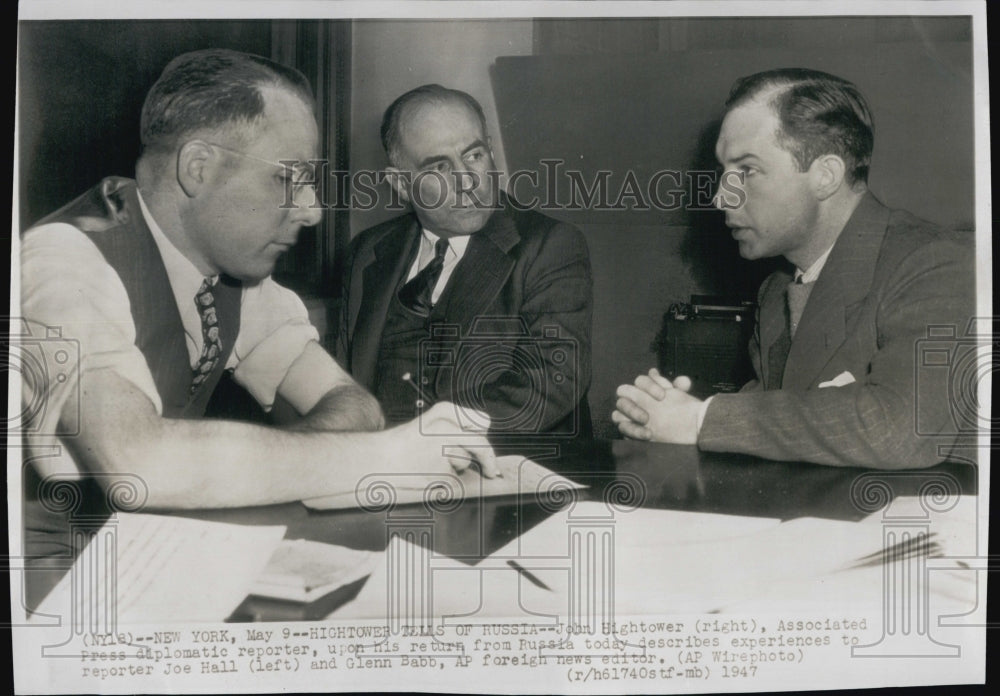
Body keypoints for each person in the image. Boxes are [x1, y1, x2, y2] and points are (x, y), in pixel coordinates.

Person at [20, 49, 498, 514]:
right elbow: (139, 466)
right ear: (198, 168)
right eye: (290, 179)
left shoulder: (228, 272)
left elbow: (354, 405)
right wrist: (386, 456)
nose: (312, 210)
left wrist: (270, 464)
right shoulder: (64, 258)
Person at [613, 68, 975, 469]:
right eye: (723, 173)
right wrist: (664, 416)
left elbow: (901, 429)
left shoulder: (938, 263)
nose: (719, 197)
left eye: (746, 171)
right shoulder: (776, 292)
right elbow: (788, 420)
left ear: (825, 176)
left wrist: (701, 420)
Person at [336, 84, 593, 437]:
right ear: (399, 184)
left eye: (474, 155)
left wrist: (432, 441)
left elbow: (552, 381)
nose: (467, 180)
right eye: (439, 167)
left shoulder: (550, 245)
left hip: (499, 469)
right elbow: (340, 383)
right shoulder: (366, 251)